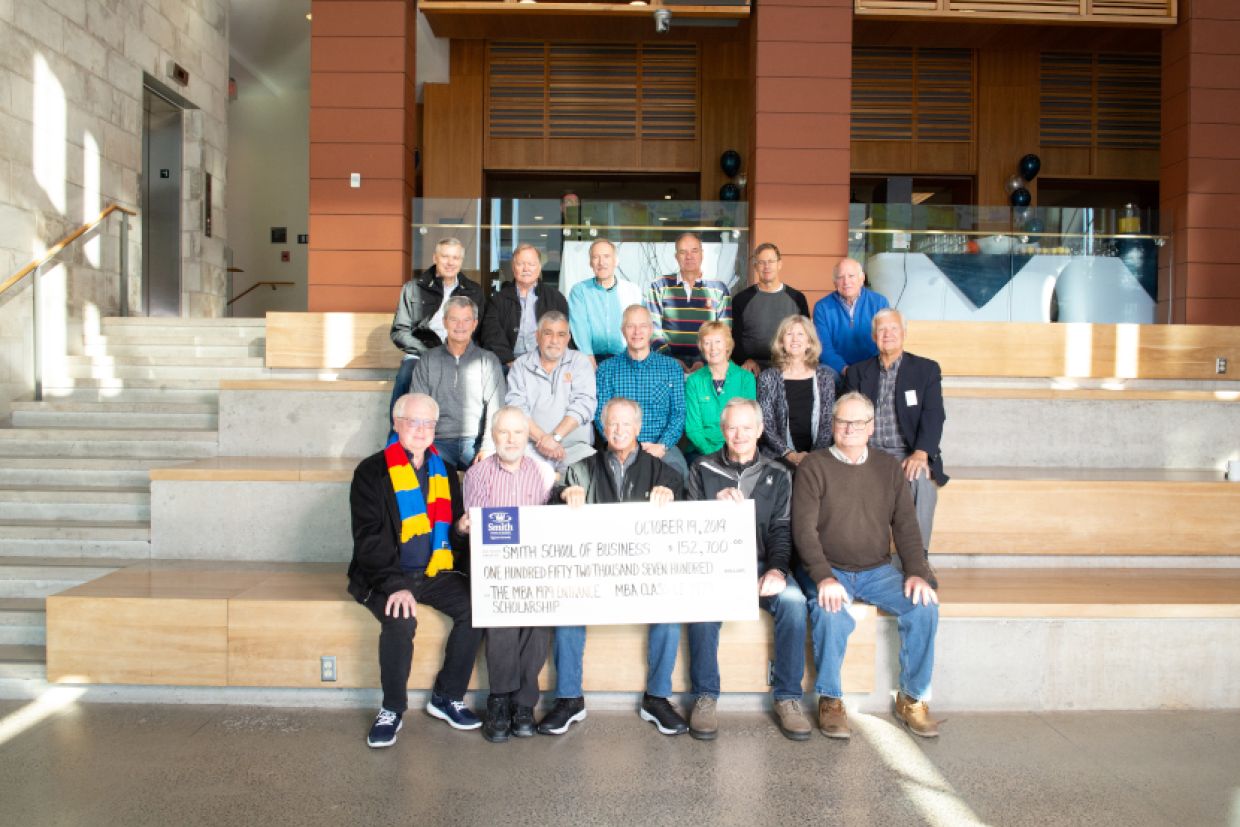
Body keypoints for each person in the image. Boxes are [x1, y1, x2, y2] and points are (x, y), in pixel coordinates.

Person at [792, 392, 941, 740]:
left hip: (877, 570)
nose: (850, 428)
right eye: (843, 421)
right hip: (830, 569)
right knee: (830, 613)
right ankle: (830, 698)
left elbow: (906, 525)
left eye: (858, 422)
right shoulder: (814, 466)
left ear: (871, 427)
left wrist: (917, 572)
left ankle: (912, 698)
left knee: (924, 606)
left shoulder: (888, 467)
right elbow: (803, 530)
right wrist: (824, 577)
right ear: (832, 425)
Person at [539, 398, 685, 737]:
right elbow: (552, 502)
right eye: (612, 425)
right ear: (603, 429)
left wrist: (671, 493)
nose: (618, 431)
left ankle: (658, 698)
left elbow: (685, 506)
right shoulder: (581, 469)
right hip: (595, 575)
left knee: (671, 612)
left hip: (645, 573)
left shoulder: (663, 471)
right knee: (567, 609)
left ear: (638, 428)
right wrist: (564, 494)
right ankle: (569, 699)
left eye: (625, 425)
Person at [347, 392, 482, 748]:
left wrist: (460, 530)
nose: (421, 430)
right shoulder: (371, 471)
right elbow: (369, 539)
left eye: (429, 423)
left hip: (433, 572)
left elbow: (449, 534)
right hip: (385, 574)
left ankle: (447, 696)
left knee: (476, 608)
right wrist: (394, 585)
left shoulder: (446, 472)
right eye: (413, 422)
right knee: (401, 615)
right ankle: (392, 708)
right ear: (396, 424)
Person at [686, 399, 812, 741]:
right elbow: (690, 532)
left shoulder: (780, 473)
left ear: (759, 430)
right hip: (716, 566)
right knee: (701, 607)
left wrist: (776, 570)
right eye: (731, 427)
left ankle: (787, 698)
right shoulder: (701, 469)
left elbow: (782, 531)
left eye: (746, 427)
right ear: (722, 431)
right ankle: (705, 696)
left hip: (761, 563)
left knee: (795, 603)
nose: (738, 434)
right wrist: (714, 509)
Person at [462, 406, 557, 743]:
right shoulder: (477, 475)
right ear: (493, 435)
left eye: (519, 432)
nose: (512, 439)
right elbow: (474, 531)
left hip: (533, 569)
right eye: (504, 432)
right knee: (501, 617)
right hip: (495, 569)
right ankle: (500, 698)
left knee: (539, 620)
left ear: (526, 436)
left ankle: (524, 704)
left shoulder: (544, 474)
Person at [844, 308, 948, 561]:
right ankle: (864, 561)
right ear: (873, 336)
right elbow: (848, 415)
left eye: (893, 328)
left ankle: (916, 560)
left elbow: (934, 415)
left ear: (903, 333)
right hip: (869, 452)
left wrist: (921, 453)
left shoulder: (926, 369)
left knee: (921, 480)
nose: (887, 334)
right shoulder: (858, 372)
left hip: (908, 452)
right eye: (881, 329)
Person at [388, 237, 485, 427]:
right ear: (435, 258)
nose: (450, 262)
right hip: (422, 352)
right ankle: (396, 438)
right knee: (407, 373)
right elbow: (399, 331)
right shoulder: (414, 288)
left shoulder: (474, 291)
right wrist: (428, 353)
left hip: (460, 352)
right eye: (445, 257)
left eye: (455, 258)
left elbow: (479, 331)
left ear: (461, 261)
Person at [409, 296, 507, 467]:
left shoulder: (488, 360)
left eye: (466, 320)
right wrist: (423, 445)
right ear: (445, 322)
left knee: (492, 476)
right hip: (437, 441)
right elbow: (417, 407)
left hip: (475, 443)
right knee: (426, 475)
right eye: (454, 319)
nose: (460, 326)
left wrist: (488, 448)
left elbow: (496, 409)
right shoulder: (428, 360)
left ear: (475, 324)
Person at [595, 304, 689, 479]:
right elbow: (601, 415)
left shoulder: (671, 368)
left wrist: (662, 446)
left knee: (678, 474)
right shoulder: (606, 369)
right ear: (623, 330)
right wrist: (622, 446)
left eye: (643, 326)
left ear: (651, 329)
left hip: (661, 447)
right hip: (619, 446)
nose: (637, 332)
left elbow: (678, 413)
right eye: (631, 326)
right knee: (601, 479)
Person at [505, 311, 597, 473]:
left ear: (568, 338)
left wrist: (555, 438)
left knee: (595, 478)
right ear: (537, 336)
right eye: (548, 333)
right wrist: (543, 440)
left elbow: (584, 405)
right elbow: (517, 409)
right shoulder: (521, 365)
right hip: (531, 448)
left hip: (576, 449)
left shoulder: (580, 362)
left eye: (561, 335)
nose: (554, 341)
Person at [757, 315, 838, 469]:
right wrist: (789, 454)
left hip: (818, 456)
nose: (795, 339)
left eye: (800, 334)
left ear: (809, 342)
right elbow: (766, 424)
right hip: (777, 457)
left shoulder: (825, 377)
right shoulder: (767, 377)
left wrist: (812, 457)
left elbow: (828, 424)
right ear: (781, 342)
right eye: (789, 334)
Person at [645, 232, 732, 370]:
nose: (689, 256)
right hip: (665, 365)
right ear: (676, 256)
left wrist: (704, 361)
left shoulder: (719, 289)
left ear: (702, 254)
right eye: (683, 252)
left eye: (694, 251)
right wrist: (670, 361)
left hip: (708, 366)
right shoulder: (659, 286)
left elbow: (725, 333)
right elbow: (652, 331)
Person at [479, 244, 569, 368]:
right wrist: (510, 361)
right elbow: (491, 334)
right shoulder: (498, 300)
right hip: (508, 364)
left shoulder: (556, 298)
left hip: (546, 363)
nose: (526, 269)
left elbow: (563, 333)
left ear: (539, 267)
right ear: (513, 267)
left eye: (531, 264)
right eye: (520, 264)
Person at [731, 243, 810, 375]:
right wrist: (745, 360)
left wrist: (793, 362)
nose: (767, 266)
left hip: (788, 364)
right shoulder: (741, 299)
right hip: (751, 366)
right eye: (762, 262)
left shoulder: (797, 298)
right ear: (755, 266)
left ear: (779, 264)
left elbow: (806, 337)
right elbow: (734, 338)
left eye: (771, 261)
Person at [684, 321, 756, 458]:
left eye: (718, 341)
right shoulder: (694, 381)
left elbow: (749, 423)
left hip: (739, 449)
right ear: (701, 347)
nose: (713, 348)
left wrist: (732, 453)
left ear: (727, 345)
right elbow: (693, 428)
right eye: (707, 343)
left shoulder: (746, 378)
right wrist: (714, 455)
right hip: (702, 451)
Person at [568, 238, 643, 366]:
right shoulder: (579, 291)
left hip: (627, 359)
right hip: (591, 358)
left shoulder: (632, 290)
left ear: (616, 261)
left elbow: (640, 327)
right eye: (596, 257)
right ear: (590, 263)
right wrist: (588, 358)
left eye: (606, 256)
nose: (601, 262)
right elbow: (580, 327)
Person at [812, 257, 889, 377]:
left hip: (871, 368)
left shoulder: (879, 302)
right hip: (837, 369)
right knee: (822, 374)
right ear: (834, 282)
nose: (846, 282)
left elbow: (884, 341)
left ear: (862, 278)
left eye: (851, 276)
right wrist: (845, 370)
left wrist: (865, 370)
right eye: (840, 277)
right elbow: (823, 348)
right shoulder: (822, 307)